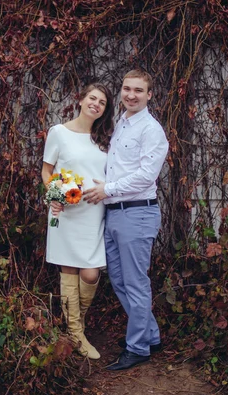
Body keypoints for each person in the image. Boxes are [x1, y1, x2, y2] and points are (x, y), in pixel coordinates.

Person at [83, 69, 169, 370]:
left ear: (149, 95)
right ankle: (150, 335)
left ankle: (138, 348)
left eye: (138, 90)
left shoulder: (152, 131)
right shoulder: (122, 123)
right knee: (119, 280)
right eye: (127, 88)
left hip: (138, 212)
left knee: (135, 283)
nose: (131, 95)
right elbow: (116, 168)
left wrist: (106, 189)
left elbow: (145, 176)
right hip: (115, 213)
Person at [41, 83, 115, 360]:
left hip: (93, 213)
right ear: (81, 99)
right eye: (92, 98)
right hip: (66, 213)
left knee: (91, 273)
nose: (96, 104)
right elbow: (47, 171)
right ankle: (76, 332)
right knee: (69, 272)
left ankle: (74, 325)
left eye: (103, 102)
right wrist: (54, 195)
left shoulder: (105, 138)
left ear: (105, 110)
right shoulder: (58, 133)